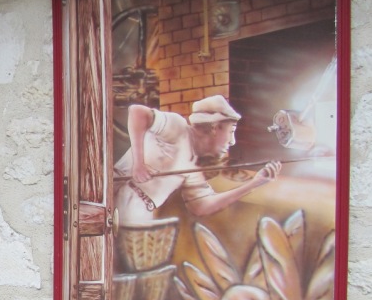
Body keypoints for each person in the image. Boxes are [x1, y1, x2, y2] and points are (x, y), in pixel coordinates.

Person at [113, 95, 281, 225]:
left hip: (139, 211)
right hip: (121, 199)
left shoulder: (193, 165)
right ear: (215, 127)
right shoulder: (178, 128)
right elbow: (137, 112)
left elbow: (201, 206)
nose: (232, 141)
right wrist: (139, 164)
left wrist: (255, 183)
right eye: (231, 131)